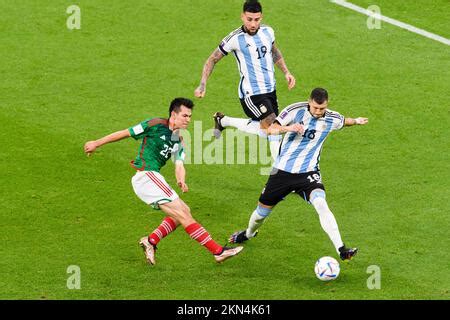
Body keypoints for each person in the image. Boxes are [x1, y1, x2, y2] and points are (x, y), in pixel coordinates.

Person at [84, 98, 243, 265]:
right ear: (173, 115)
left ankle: (150, 241)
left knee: (183, 212)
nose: (188, 120)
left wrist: (181, 180)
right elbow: (126, 132)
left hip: (153, 178)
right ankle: (218, 251)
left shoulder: (179, 139)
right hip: (146, 176)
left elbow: (179, 163)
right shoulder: (154, 124)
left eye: (190, 116)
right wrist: (97, 143)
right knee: (183, 215)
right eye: (185, 115)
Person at [229, 88, 368, 261]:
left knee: (321, 204)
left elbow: (343, 121)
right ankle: (248, 234)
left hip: (308, 174)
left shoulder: (331, 118)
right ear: (309, 101)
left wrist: (356, 120)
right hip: (282, 172)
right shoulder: (295, 110)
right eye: (315, 108)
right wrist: (290, 128)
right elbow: (270, 130)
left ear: (327, 104)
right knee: (260, 214)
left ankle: (342, 249)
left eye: (322, 108)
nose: (318, 112)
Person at [194, 0, 296, 160]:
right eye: (249, 19)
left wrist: (287, 72)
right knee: (273, 127)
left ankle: (223, 121)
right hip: (251, 94)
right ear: (242, 17)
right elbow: (212, 59)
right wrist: (202, 84)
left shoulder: (268, 32)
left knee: (266, 132)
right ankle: (281, 177)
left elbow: (274, 52)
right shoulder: (234, 39)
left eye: (256, 19)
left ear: (261, 17)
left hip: (270, 90)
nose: (253, 24)